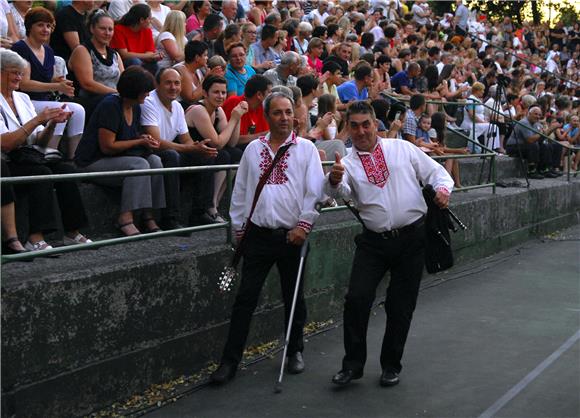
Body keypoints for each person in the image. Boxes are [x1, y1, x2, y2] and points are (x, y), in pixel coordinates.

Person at [325, 100, 453, 387]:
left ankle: (391, 365)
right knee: (356, 299)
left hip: (412, 239)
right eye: (354, 126)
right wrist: (333, 180)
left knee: (401, 305)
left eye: (366, 124)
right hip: (374, 242)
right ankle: (352, 366)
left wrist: (444, 190)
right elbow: (339, 190)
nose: (360, 131)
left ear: (375, 124)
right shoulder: (345, 163)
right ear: (349, 127)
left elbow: (437, 173)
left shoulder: (401, 148)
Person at [210, 92, 325, 385]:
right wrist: (240, 231)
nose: (285, 118)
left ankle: (295, 350)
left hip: (292, 236)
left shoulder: (306, 150)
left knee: (294, 296)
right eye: (278, 113)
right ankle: (230, 361)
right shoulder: (252, 151)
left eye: (288, 112)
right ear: (267, 116)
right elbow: (240, 194)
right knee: (245, 299)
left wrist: (304, 225)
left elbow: (315, 192)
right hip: (257, 236)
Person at [1, 49, 91, 251]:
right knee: (41, 173)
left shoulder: (22, 99)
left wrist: (51, 124)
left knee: (66, 170)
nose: (19, 77)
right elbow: (6, 143)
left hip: (28, 156)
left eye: (20, 73)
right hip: (7, 161)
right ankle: (35, 237)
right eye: (14, 72)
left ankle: (73, 231)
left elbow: (40, 141)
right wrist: (38, 119)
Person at [74, 66, 165, 237]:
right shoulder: (110, 105)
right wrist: (139, 141)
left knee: (155, 161)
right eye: (145, 91)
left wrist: (144, 139)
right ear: (135, 90)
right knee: (139, 164)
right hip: (92, 161)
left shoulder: (136, 107)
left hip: (118, 158)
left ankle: (148, 215)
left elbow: (130, 135)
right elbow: (107, 146)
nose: (148, 94)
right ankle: (125, 218)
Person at [140, 67, 219, 230]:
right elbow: (156, 142)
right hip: (149, 152)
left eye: (177, 83)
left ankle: (199, 213)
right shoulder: (149, 102)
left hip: (170, 151)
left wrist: (198, 147)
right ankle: (170, 218)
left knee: (207, 155)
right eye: (168, 83)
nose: (173, 87)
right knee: (171, 156)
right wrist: (189, 148)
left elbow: (186, 139)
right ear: (157, 84)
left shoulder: (177, 106)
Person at [12, 6, 86, 160]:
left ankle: (74, 157)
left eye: (48, 26)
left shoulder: (48, 50)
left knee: (79, 110)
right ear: (29, 27)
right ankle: (49, 153)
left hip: (44, 99)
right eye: (40, 25)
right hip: (25, 100)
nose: (45, 29)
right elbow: (24, 84)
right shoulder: (21, 48)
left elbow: (46, 79)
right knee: (60, 110)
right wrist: (56, 86)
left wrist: (59, 82)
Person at [185, 75, 248, 223]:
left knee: (236, 154)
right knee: (221, 154)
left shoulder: (218, 111)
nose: (220, 96)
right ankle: (206, 207)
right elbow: (218, 143)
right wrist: (233, 118)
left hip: (207, 153)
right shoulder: (198, 110)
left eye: (223, 92)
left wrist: (237, 118)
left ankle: (214, 204)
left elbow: (232, 142)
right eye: (216, 92)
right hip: (189, 153)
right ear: (205, 93)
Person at [68, 9, 124, 120]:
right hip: (89, 101)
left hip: (115, 99)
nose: (107, 33)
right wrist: (117, 93)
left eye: (110, 29)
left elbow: (124, 79)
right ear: (92, 29)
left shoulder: (115, 54)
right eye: (102, 28)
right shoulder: (82, 50)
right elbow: (87, 84)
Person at [505, 106, 562, 179]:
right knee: (533, 145)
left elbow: (540, 139)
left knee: (553, 145)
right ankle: (532, 170)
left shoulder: (537, 124)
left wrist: (550, 130)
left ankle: (549, 168)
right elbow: (530, 140)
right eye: (536, 114)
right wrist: (548, 130)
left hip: (527, 145)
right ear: (529, 113)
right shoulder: (524, 122)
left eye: (539, 115)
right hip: (513, 147)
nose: (538, 116)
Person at [222, 74, 272, 148]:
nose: (272, 95)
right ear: (259, 95)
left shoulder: (263, 107)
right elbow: (233, 140)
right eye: (269, 92)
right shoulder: (235, 102)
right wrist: (265, 135)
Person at [110, 3, 162, 74]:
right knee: (134, 61)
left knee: (154, 65)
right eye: (149, 19)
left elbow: (150, 52)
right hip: (125, 63)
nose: (151, 21)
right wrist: (149, 56)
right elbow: (124, 54)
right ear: (142, 20)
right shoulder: (119, 30)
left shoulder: (147, 31)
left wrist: (154, 57)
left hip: (142, 61)